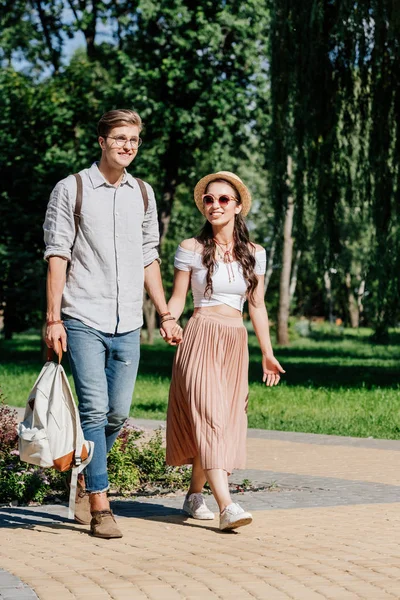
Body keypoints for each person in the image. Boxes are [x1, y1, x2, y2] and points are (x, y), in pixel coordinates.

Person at [43, 109, 181, 539]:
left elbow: (148, 255)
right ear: (101, 140)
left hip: (126, 323)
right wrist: (53, 319)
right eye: (120, 138)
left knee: (117, 412)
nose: (128, 146)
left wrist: (164, 311)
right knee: (94, 408)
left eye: (134, 140)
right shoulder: (73, 189)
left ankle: (85, 473)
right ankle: (101, 504)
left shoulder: (143, 193)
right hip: (83, 315)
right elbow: (57, 254)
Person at [166, 171, 284, 531]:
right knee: (210, 416)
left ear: (237, 207)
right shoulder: (190, 248)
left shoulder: (255, 253)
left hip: (235, 342)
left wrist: (267, 352)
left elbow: (257, 306)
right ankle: (227, 505)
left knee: (226, 420)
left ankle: (193, 495)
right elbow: (177, 296)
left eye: (223, 200)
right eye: (209, 199)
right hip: (200, 335)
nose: (214, 205)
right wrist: (169, 319)